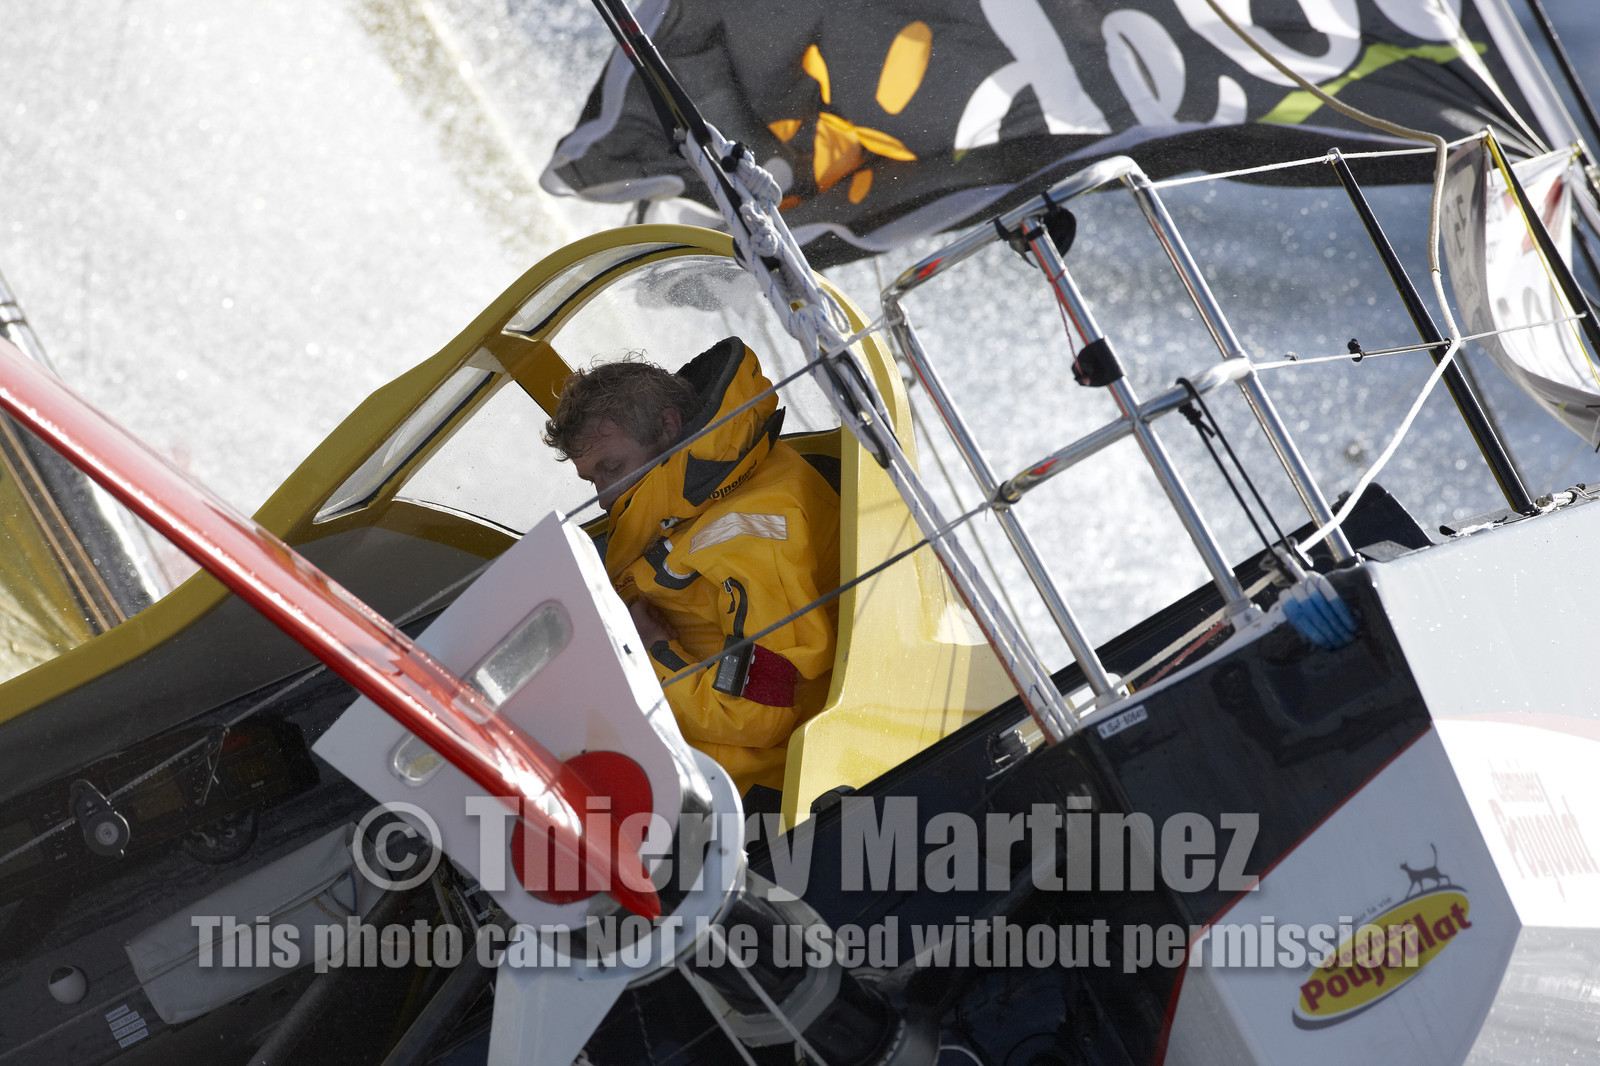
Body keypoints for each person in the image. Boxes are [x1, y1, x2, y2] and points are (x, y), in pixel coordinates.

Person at [543, 337, 840, 797]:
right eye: (592, 479)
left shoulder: (755, 533)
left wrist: (651, 651)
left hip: (745, 786)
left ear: (666, 425)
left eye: (612, 466)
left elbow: (754, 715)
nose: (602, 496)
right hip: (675, 742)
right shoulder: (692, 498)